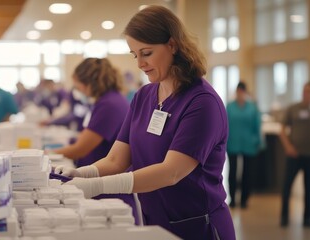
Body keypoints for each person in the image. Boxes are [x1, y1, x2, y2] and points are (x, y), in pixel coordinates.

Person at [54, 6, 235, 239]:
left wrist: (98, 186)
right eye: (134, 55)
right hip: (153, 220)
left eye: (146, 53)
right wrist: (82, 174)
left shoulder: (202, 102)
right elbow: (116, 159)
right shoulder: (144, 96)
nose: (139, 63)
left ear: (172, 45)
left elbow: (171, 172)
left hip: (198, 225)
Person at [53, 58, 137, 221]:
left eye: (78, 85)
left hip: (107, 184)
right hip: (100, 176)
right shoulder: (106, 101)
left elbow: (81, 148)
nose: (77, 90)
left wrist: (46, 154)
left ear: (89, 82)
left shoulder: (109, 104)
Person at [226, 81, 261, 209]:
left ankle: (245, 199)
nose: (240, 94)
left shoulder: (252, 107)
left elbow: (257, 126)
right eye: (238, 91)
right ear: (236, 92)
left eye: (242, 91)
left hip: (249, 143)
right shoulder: (230, 107)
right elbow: (225, 125)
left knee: (247, 172)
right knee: (233, 171)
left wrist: (259, 142)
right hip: (232, 143)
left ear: (246, 93)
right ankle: (233, 199)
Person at [279, 81, 310, 227]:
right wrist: (288, 146)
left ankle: (307, 218)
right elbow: (282, 129)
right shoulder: (294, 108)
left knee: (308, 188)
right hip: (294, 154)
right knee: (287, 186)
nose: (306, 94)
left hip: (308, 155)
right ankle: (284, 216)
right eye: (305, 91)